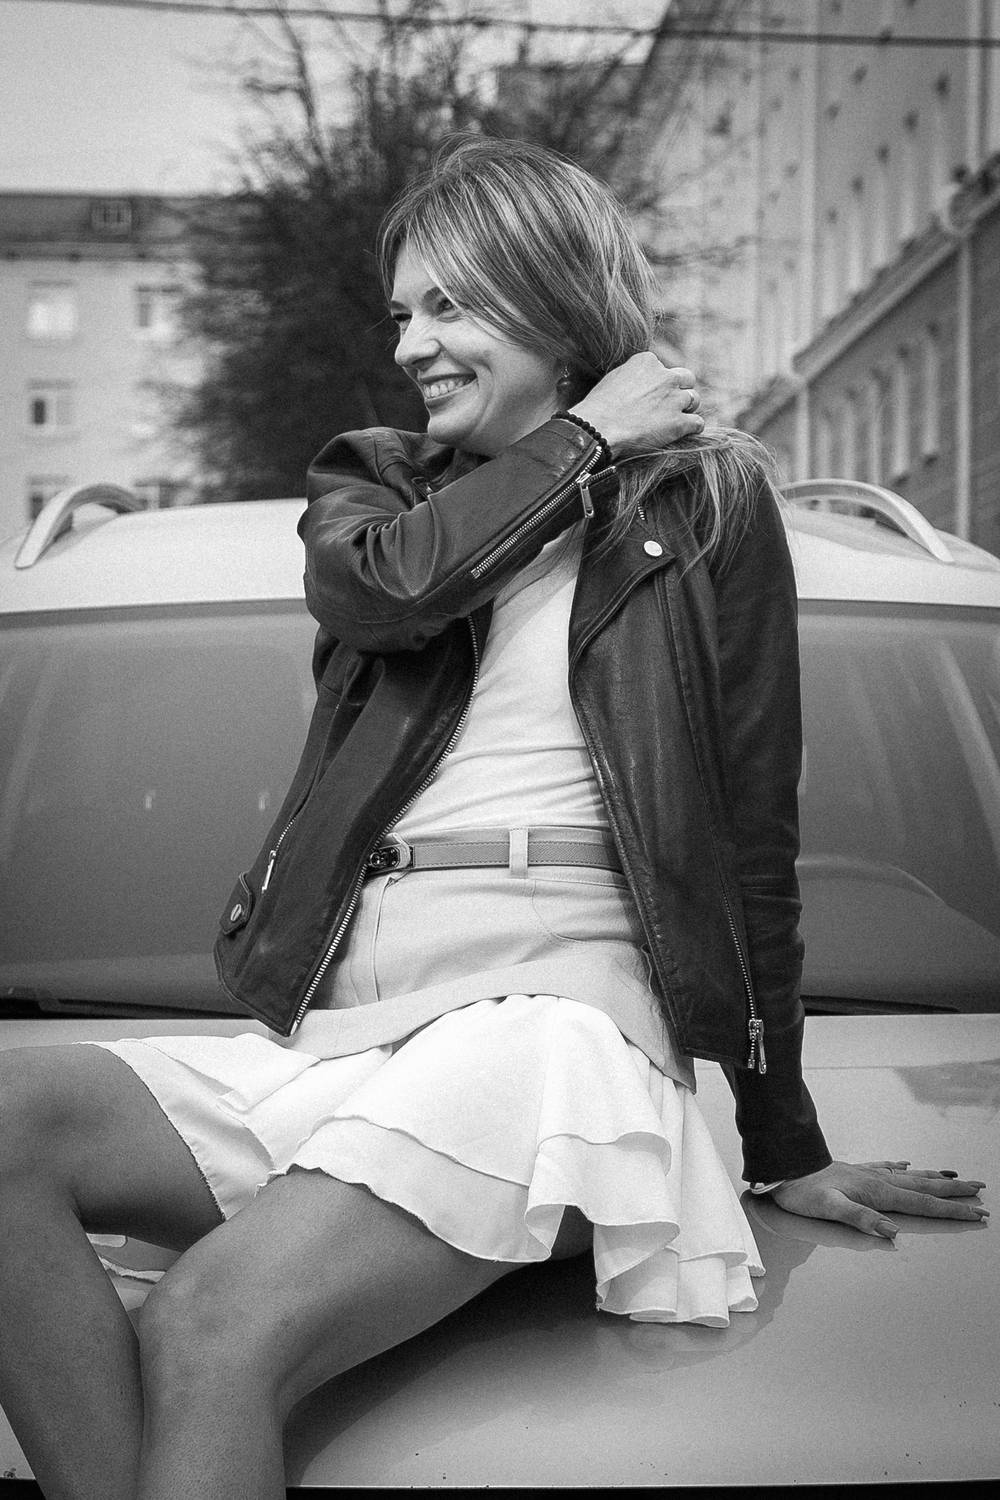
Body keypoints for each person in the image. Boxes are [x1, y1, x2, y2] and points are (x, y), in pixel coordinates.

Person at [0, 136, 987, 1500]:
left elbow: (753, 835)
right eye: (403, 311)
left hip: (556, 1024)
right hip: (360, 1034)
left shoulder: (708, 503)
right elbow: (386, 594)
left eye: (450, 305)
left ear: (552, 296)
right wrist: (587, 440)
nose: (412, 343)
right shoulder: (374, 484)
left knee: (213, 1323)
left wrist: (782, 1139)